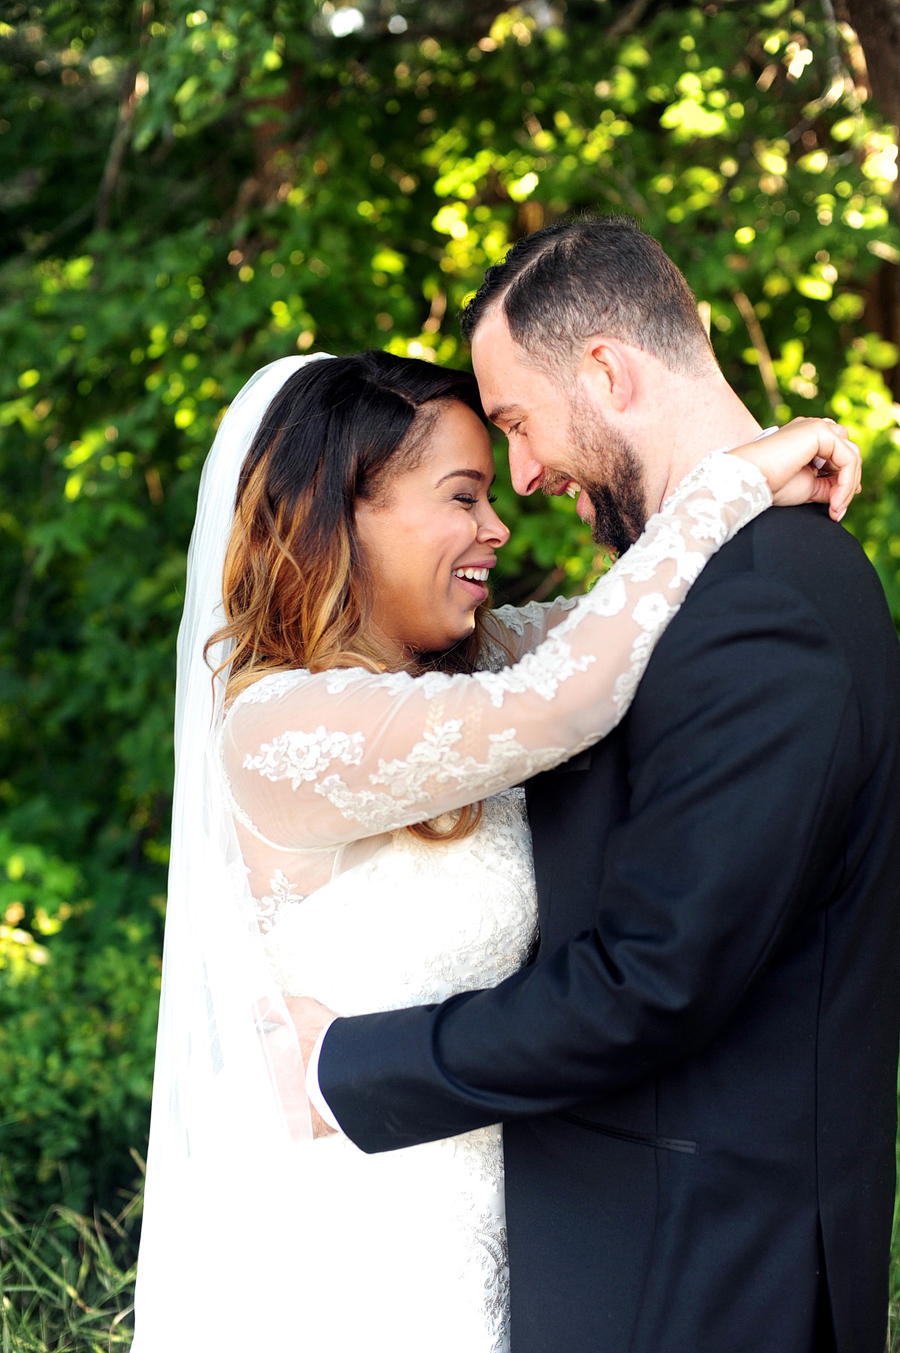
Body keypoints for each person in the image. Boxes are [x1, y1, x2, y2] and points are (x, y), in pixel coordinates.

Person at [132, 340, 860, 1353]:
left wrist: (744, 503)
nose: (498, 526)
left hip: (526, 1240)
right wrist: (734, 480)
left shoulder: (469, 667)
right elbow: (561, 700)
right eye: (464, 496)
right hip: (364, 1260)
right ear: (341, 515)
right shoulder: (275, 729)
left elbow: (638, 620)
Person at [294, 218, 900, 1353]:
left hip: (702, 1275)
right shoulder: (694, 593)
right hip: (653, 1255)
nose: (523, 477)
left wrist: (347, 1066)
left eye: (518, 423)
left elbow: (654, 978)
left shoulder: (760, 606)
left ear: (609, 372)